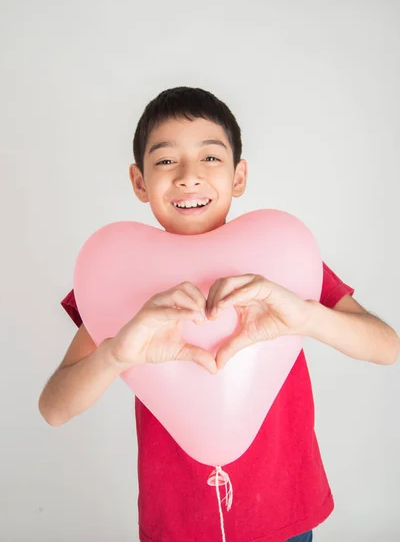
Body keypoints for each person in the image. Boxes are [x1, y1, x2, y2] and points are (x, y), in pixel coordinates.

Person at [38, 87, 399, 542]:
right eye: (166, 160)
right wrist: (114, 354)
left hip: (285, 510)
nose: (189, 177)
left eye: (210, 158)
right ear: (139, 181)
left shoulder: (282, 258)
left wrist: (306, 316)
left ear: (239, 176)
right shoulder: (118, 274)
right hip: (178, 523)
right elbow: (54, 409)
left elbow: (387, 347)